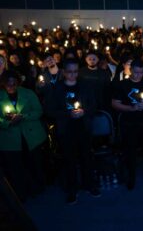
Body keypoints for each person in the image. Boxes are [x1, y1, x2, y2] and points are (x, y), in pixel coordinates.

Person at [44, 58, 100, 204]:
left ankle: (89, 184)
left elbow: (93, 105)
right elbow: (49, 110)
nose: (73, 75)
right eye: (69, 72)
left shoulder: (85, 86)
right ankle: (72, 189)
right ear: (63, 72)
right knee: (69, 160)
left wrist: (85, 111)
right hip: (66, 130)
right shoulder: (56, 88)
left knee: (87, 158)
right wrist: (67, 114)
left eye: (75, 71)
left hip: (84, 128)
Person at [112, 59, 143, 190]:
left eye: (141, 72)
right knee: (130, 151)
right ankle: (131, 177)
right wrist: (130, 108)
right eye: (136, 72)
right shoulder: (122, 85)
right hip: (129, 123)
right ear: (130, 70)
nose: (138, 75)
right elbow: (115, 103)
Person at [0, 70, 47, 202]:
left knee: (34, 163)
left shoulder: (28, 93)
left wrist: (24, 117)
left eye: (14, 84)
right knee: (15, 168)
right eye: (8, 84)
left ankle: (37, 188)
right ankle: (21, 192)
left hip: (31, 137)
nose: (11, 86)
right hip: (10, 139)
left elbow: (38, 111)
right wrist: (7, 123)